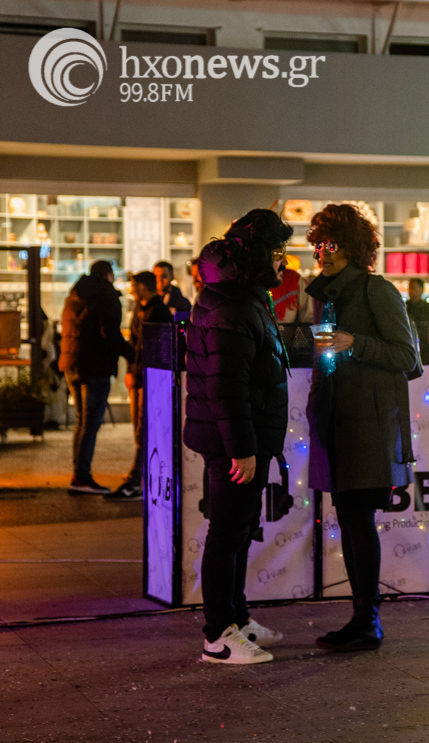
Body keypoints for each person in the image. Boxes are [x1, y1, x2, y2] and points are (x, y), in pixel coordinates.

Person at [305, 204, 420, 652]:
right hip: (335, 421)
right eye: (318, 245)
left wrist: (356, 343)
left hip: (368, 426)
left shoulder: (376, 289)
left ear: (352, 247)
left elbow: (408, 357)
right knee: (350, 519)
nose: (323, 253)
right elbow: (322, 359)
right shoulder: (326, 296)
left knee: (358, 519)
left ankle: (367, 619)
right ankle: (362, 617)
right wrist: (315, 409)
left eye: (331, 244)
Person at [184, 209, 290, 665]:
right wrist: (242, 449)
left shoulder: (241, 295)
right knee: (227, 535)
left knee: (239, 532)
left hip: (242, 437)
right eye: (279, 252)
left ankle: (237, 620)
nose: (284, 261)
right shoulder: (234, 306)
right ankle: (218, 638)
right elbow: (226, 387)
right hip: (234, 442)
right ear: (258, 256)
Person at [59, 260, 134, 495]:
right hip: (95, 366)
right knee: (90, 424)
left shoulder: (75, 295)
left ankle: (78, 474)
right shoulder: (106, 296)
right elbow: (110, 333)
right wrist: (133, 355)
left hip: (72, 363)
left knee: (82, 422)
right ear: (108, 275)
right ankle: (81, 476)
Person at [111, 271, 172, 501]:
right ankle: (141, 476)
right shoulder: (140, 308)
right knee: (139, 427)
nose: (132, 290)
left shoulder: (158, 311)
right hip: (139, 376)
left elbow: (153, 347)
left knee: (144, 428)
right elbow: (134, 342)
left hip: (151, 377)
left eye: (134, 286)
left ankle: (136, 479)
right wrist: (130, 371)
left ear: (144, 287)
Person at [268, 256, 313, 324]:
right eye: (277, 256)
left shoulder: (293, 280)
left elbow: (308, 320)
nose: (285, 262)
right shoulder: (251, 291)